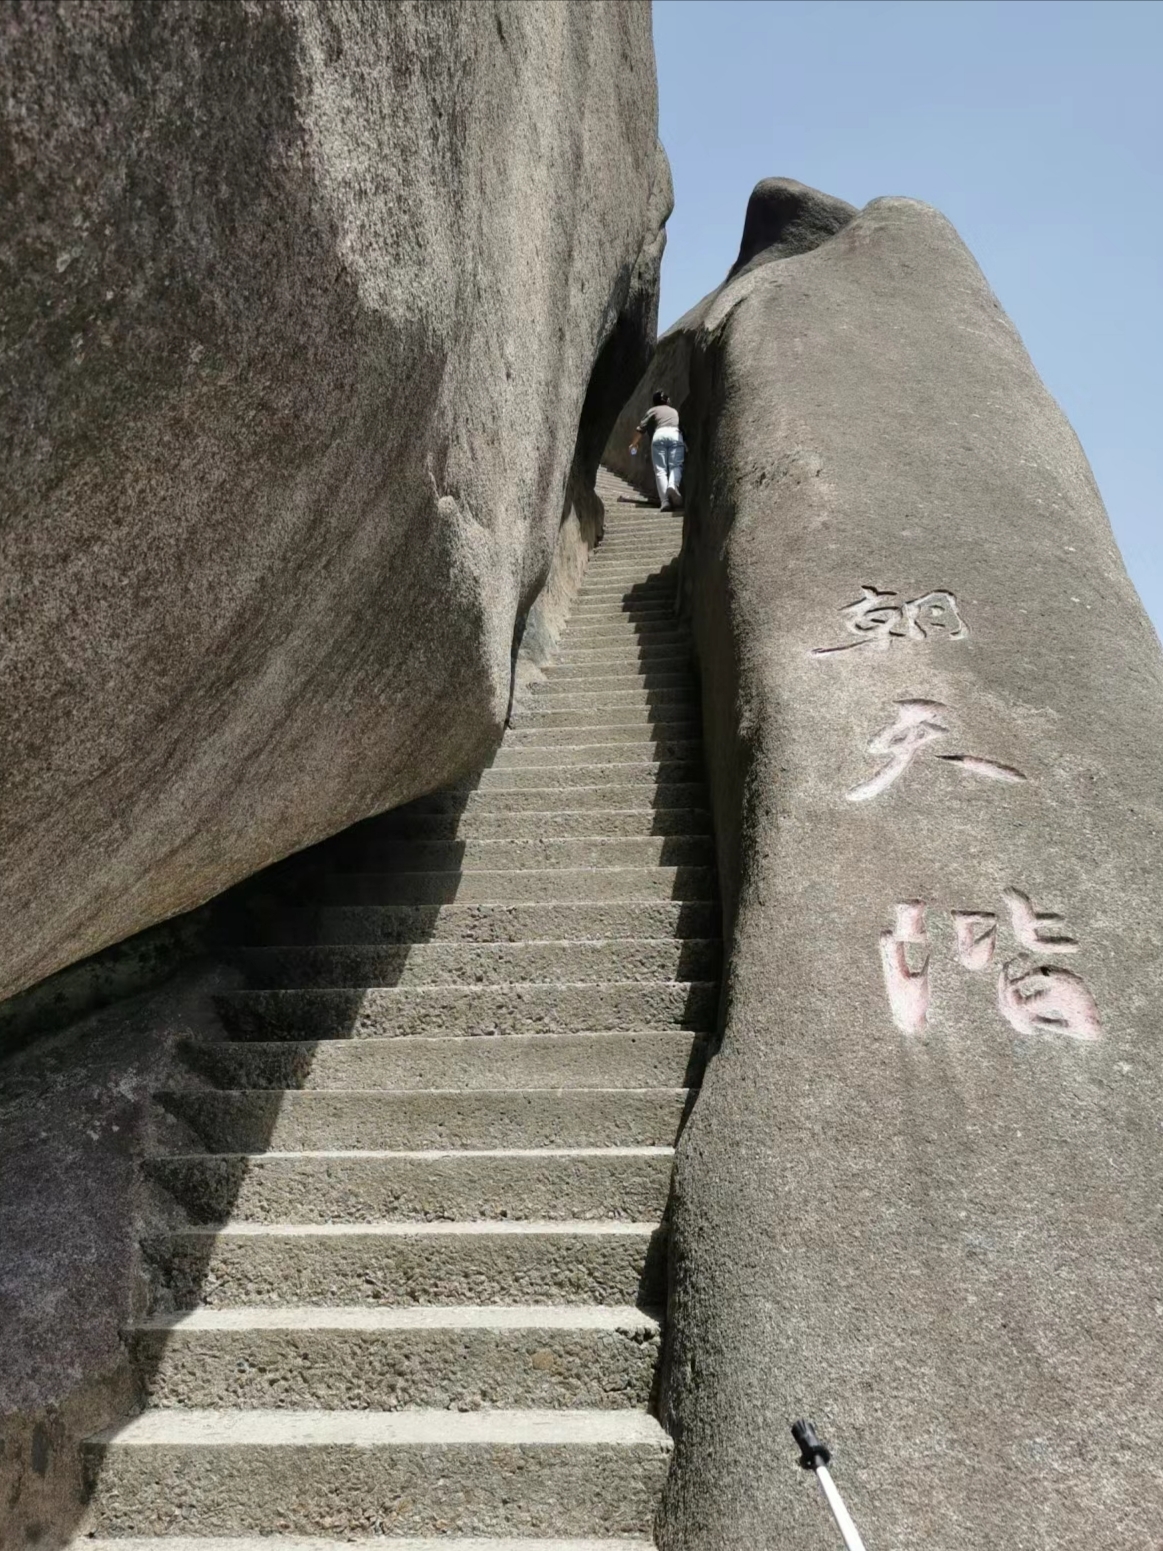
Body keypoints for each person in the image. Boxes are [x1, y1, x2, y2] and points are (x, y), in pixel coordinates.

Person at [630, 390, 685, 510]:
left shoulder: (652, 410)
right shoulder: (674, 411)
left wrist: (634, 443)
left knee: (660, 471)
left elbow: (641, 428)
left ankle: (665, 502)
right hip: (675, 434)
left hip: (659, 435)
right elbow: (681, 427)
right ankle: (673, 485)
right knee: (676, 465)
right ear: (667, 401)